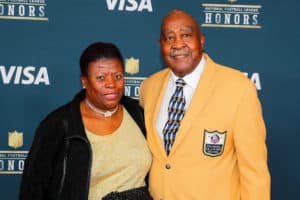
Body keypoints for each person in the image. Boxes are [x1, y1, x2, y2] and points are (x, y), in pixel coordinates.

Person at [139, 9, 270, 200]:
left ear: (201, 40)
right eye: (169, 38)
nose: (178, 44)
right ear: (161, 45)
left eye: (185, 35)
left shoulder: (238, 88)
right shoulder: (148, 87)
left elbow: (254, 172)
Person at [19, 42, 152, 200]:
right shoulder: (59, 124)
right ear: (84, 81)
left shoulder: (138, 113)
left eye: (118, 76)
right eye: (100, 78)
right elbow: (33, 188)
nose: (111, 84)